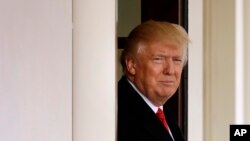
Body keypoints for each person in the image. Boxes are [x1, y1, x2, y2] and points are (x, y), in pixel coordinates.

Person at [118, 20, 189, 141]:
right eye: (159, 59)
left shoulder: (159, 111)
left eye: (177, 60)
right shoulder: (117, 113)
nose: (170, 70)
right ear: (131, 65)